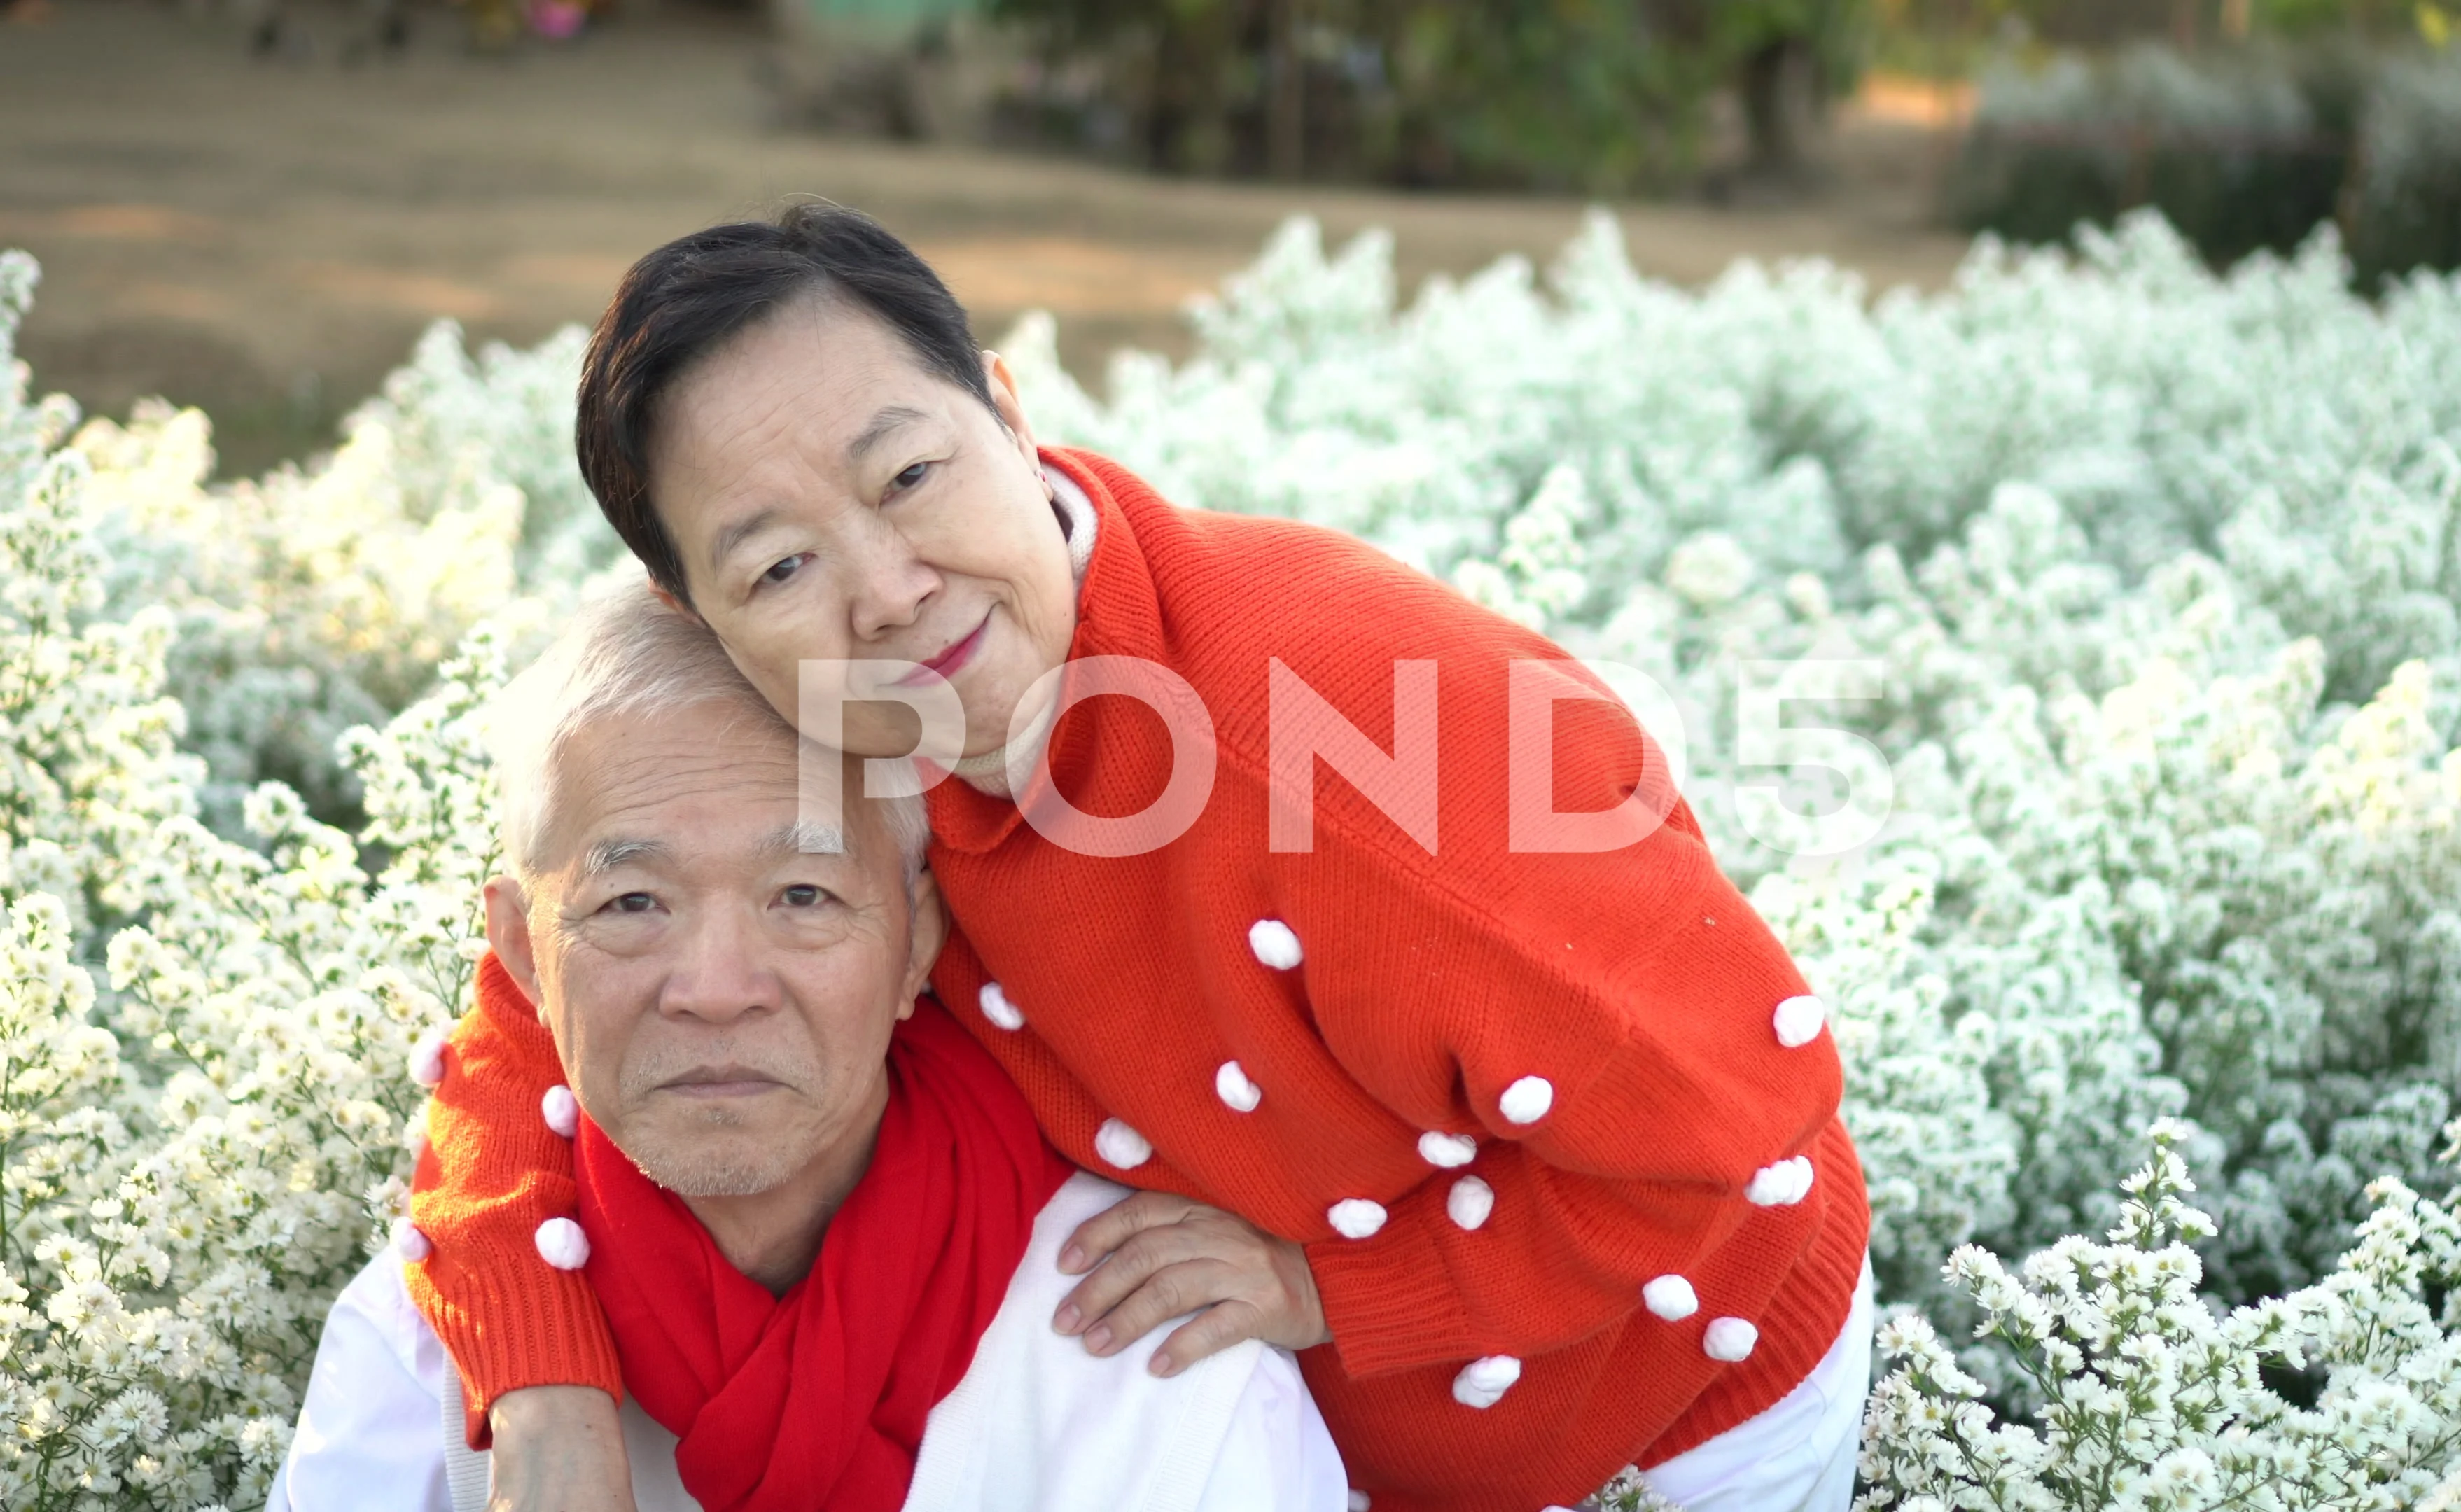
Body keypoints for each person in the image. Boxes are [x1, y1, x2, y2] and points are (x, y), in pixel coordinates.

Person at [410, 204, 1875, 1512]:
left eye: (910, 475)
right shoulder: (824, 710)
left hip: (1679, 1407)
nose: (887, 589)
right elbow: (540, 1005)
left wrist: (1331, 1287)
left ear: (1005, 407)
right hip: (1291, 1431)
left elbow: (1737, 1139)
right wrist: (543, 1387)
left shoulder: (1358, 759)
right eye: (777, 564)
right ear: (693, 609)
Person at [273, 584, 1347, 1512]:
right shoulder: (422, 1359)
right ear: (521, 950)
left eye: (804, 894)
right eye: (632, 901)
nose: (715, 991)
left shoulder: (1154, 1347)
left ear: (918, 939)